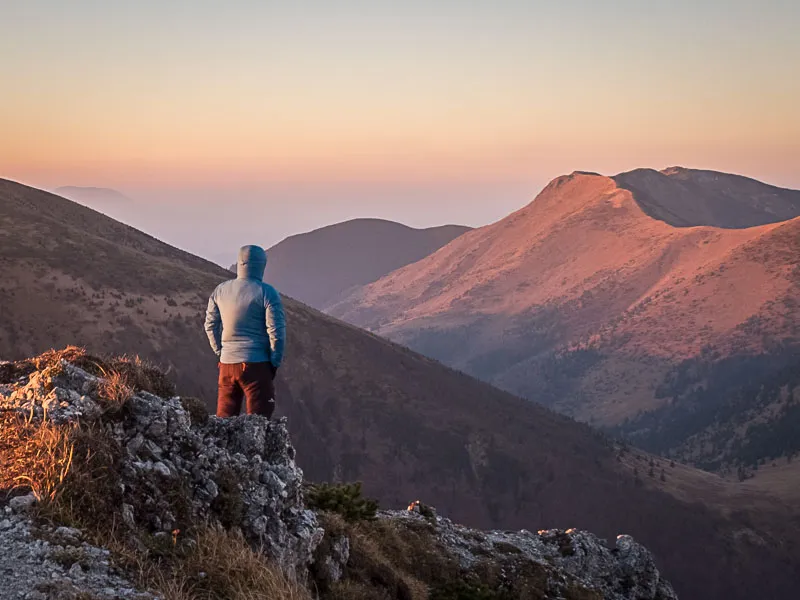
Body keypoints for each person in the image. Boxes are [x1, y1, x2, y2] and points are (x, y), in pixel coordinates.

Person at [204, 245, 285, 418]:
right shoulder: (267, 292)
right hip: (257, 365)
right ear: (261, 265)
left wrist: (221, 352)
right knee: (259, 425)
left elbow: (210, 326)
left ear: (240, 263)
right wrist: (274, 362)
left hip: (226, 366)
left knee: (223, 425)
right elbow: (276, 333)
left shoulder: (220, 290)